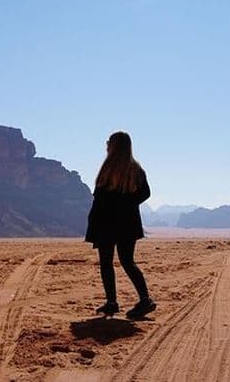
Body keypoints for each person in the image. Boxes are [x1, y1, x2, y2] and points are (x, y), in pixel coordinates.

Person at [85, 131, 156, 319]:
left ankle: (112, 302)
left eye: (109, 142)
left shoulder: (107, 169)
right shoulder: (135, 169)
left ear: (114, 146)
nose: (106, 145)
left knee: (107, 262)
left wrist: (95, 221)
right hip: (127, 223)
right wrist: (128, 205)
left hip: (106, 222)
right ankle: (144, 300)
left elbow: (99, 199)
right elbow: (145, 194)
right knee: (127, 261)